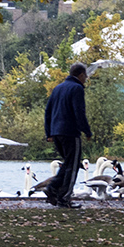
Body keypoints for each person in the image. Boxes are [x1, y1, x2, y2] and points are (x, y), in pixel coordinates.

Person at [43, 62, 91, 208]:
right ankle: (63, 197)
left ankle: (54, 190)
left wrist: (49, 132)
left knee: (70, 163)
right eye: (85, 76)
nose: (86, 78)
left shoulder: (57, 88)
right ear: (81, 75)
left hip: (56, 132)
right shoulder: (77, 88)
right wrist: (86, 131)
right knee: (73, 165)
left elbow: (48, 111)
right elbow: (79, 112)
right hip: (70, 132)